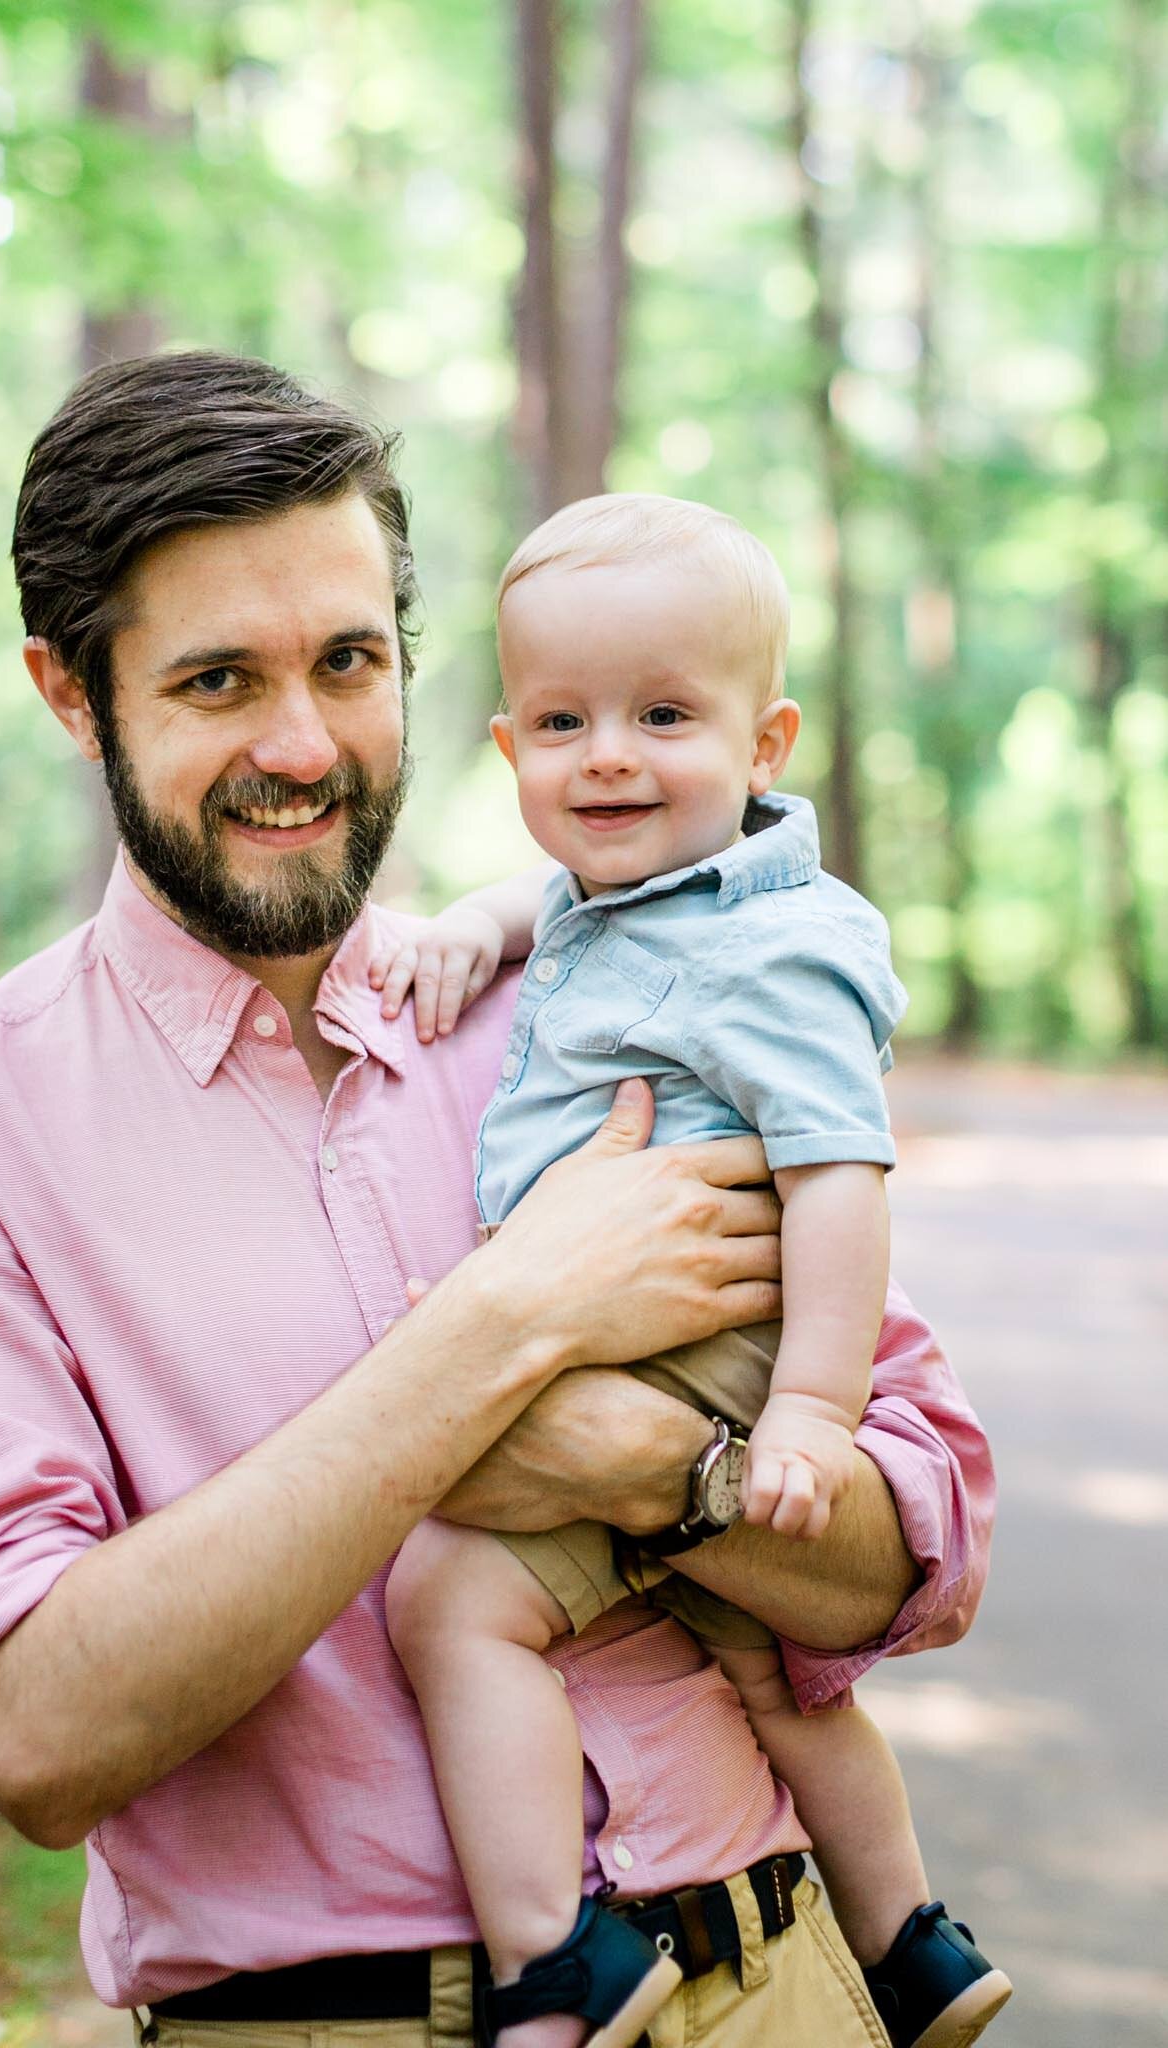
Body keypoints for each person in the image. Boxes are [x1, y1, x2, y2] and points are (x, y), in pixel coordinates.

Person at [0, 355, 994, 2048]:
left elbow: (914, 1557)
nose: (304, 744)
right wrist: (507, 1328)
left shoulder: (603, 999)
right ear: (72, 695)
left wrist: (670, 1467)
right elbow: (38, 1735)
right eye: (219, 680)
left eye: (349, 663)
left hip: (788, 1982)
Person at [372, 496, 1010, 2048]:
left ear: (765, 742)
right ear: (508, 744)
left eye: (662, 716)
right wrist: (478, 916)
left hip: (701, 1351)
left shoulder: (772, 950)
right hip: (655, 1343)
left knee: (452, 1601)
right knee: (778, 1674)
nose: (605, 755)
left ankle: (554, 1956)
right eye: (560, 721)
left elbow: (837, 1176)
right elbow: (574, 909)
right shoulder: (623, 893)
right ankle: (912, 1946)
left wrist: (805, 1415)